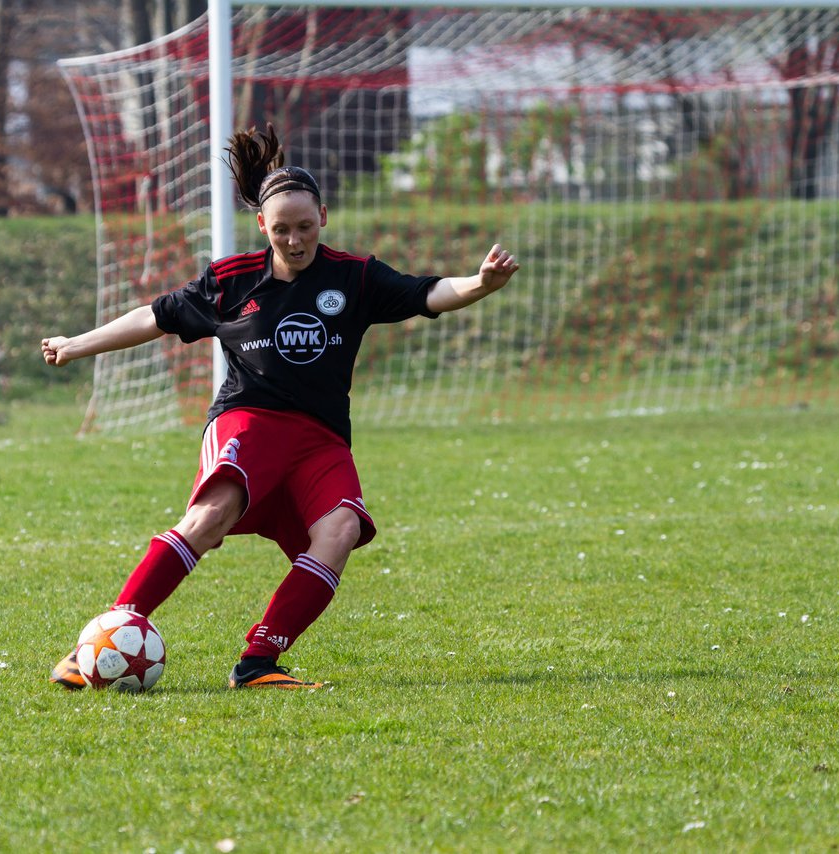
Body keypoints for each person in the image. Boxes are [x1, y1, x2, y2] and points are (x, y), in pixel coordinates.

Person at [42, 124, 519, 690]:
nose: (295, 240)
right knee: (211, 514)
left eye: (306, 227)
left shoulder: (355, 277)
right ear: (263, 225)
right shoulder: (231, 280)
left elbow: (427, 292)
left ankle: (258, 663)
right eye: (283, 230)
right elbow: (155, 316)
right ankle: (105, 636)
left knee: (340, 530)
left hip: (320, 438)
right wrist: (77, 343)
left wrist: (480, 284)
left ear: (324, 215)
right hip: (249, 418)